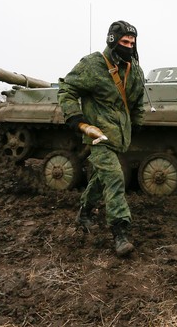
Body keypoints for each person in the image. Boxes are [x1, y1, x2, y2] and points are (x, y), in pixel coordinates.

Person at [58, 20, 145, 257]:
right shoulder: (93, 64)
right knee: (115, 178)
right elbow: (66, 89)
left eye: (132, 42)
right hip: (98, 135)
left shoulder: (135, 70)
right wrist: (77, 120)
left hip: (120, 136)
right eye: (124, 41)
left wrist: (135, 125)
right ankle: (120, 232)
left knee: (99, 179)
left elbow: (137, 103)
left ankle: (84, 213)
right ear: (112, 40)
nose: (128, 45)